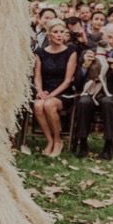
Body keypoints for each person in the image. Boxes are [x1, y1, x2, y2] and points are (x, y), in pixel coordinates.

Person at [74, 22, 113, 160]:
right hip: (91, 91)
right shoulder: (88, 53)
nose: (111, 41)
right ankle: (82, 143)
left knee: (107, 102)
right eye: (108, 37)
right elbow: (77, 82)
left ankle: (108, 145)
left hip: (112, 94)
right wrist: (85, 67)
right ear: (102, 36)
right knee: (84, 102)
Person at [32, 19, 77, 157]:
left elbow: (68, 81)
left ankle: (58, 140)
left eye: (62, 32)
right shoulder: (40, 52)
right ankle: (49, 140)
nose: (59, 35)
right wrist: (40, 91)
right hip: (45, 90)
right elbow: (37, 75)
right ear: (48, 35)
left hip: (64, 91)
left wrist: (51, 95)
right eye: (55, 32)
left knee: (49, 104)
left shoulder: (71, 51)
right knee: (38, 105)